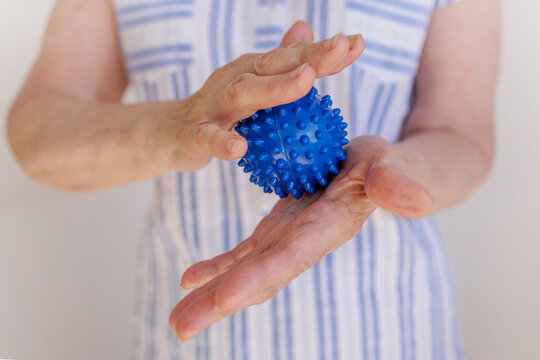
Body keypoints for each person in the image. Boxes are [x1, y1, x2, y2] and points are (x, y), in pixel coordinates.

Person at [7, 0, 499, 359]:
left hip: (394, 332)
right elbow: (37, 134)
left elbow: (460, 133)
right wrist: (175, 128)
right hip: (195, 342)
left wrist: (397, 169)